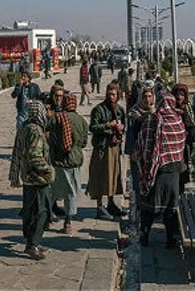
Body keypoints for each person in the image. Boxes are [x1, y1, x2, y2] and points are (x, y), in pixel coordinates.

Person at [135, 94, 187, 248]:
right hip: (174, 172)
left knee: (149, 206)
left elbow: (143, 142)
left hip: (156, 171)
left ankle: (144, 236)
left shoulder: (153, 119)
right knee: (170, 207)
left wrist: (144, 160)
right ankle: (170, 239)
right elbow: (181, 144)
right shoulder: (178, 121)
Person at [16, 101, 55, 260]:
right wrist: (49, 170)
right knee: (41, 212)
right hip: (37, 178)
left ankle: (34, 243)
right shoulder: (36, 131)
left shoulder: (25, 127)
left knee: (30, 211)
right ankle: (32, 245)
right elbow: (34, 156)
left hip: (27, 177)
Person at [48, 91, 88, 234]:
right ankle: (68, 222)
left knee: (53, 191)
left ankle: (47, 219)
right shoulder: (82, 121)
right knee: (71, 192)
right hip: (74, 162)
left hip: (58, 162)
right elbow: (84, 143)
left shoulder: (56, 118)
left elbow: (49, 138)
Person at [87, 82, 127, 220]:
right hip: (102, 148)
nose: (111, 97)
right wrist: (108, 125)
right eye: (109, 94)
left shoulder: (120, 110)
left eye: (114, 94)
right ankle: (99, 206)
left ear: (118, 95)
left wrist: (121, 128)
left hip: (114, 148)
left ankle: (111, 203)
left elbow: (124, 126)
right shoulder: (99, 109)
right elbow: (92, 127)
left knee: (113, 176)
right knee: (100, 177)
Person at [125, 83, 155, 206]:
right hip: (137, 153)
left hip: (151, 153)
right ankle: (139, 207)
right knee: (138, 182)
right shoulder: (134, 112)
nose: (147, 100)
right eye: (145, 97)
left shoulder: (156, 111)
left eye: (149, 96)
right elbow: (133, 128)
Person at [171, 83, 195, 194]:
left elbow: (191, 126)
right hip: (172, 145)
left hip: (184, 145)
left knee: (183, 170)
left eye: (182, 95)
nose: (179, 97)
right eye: (177, 94)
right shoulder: (170, 108)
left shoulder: (187, 107)